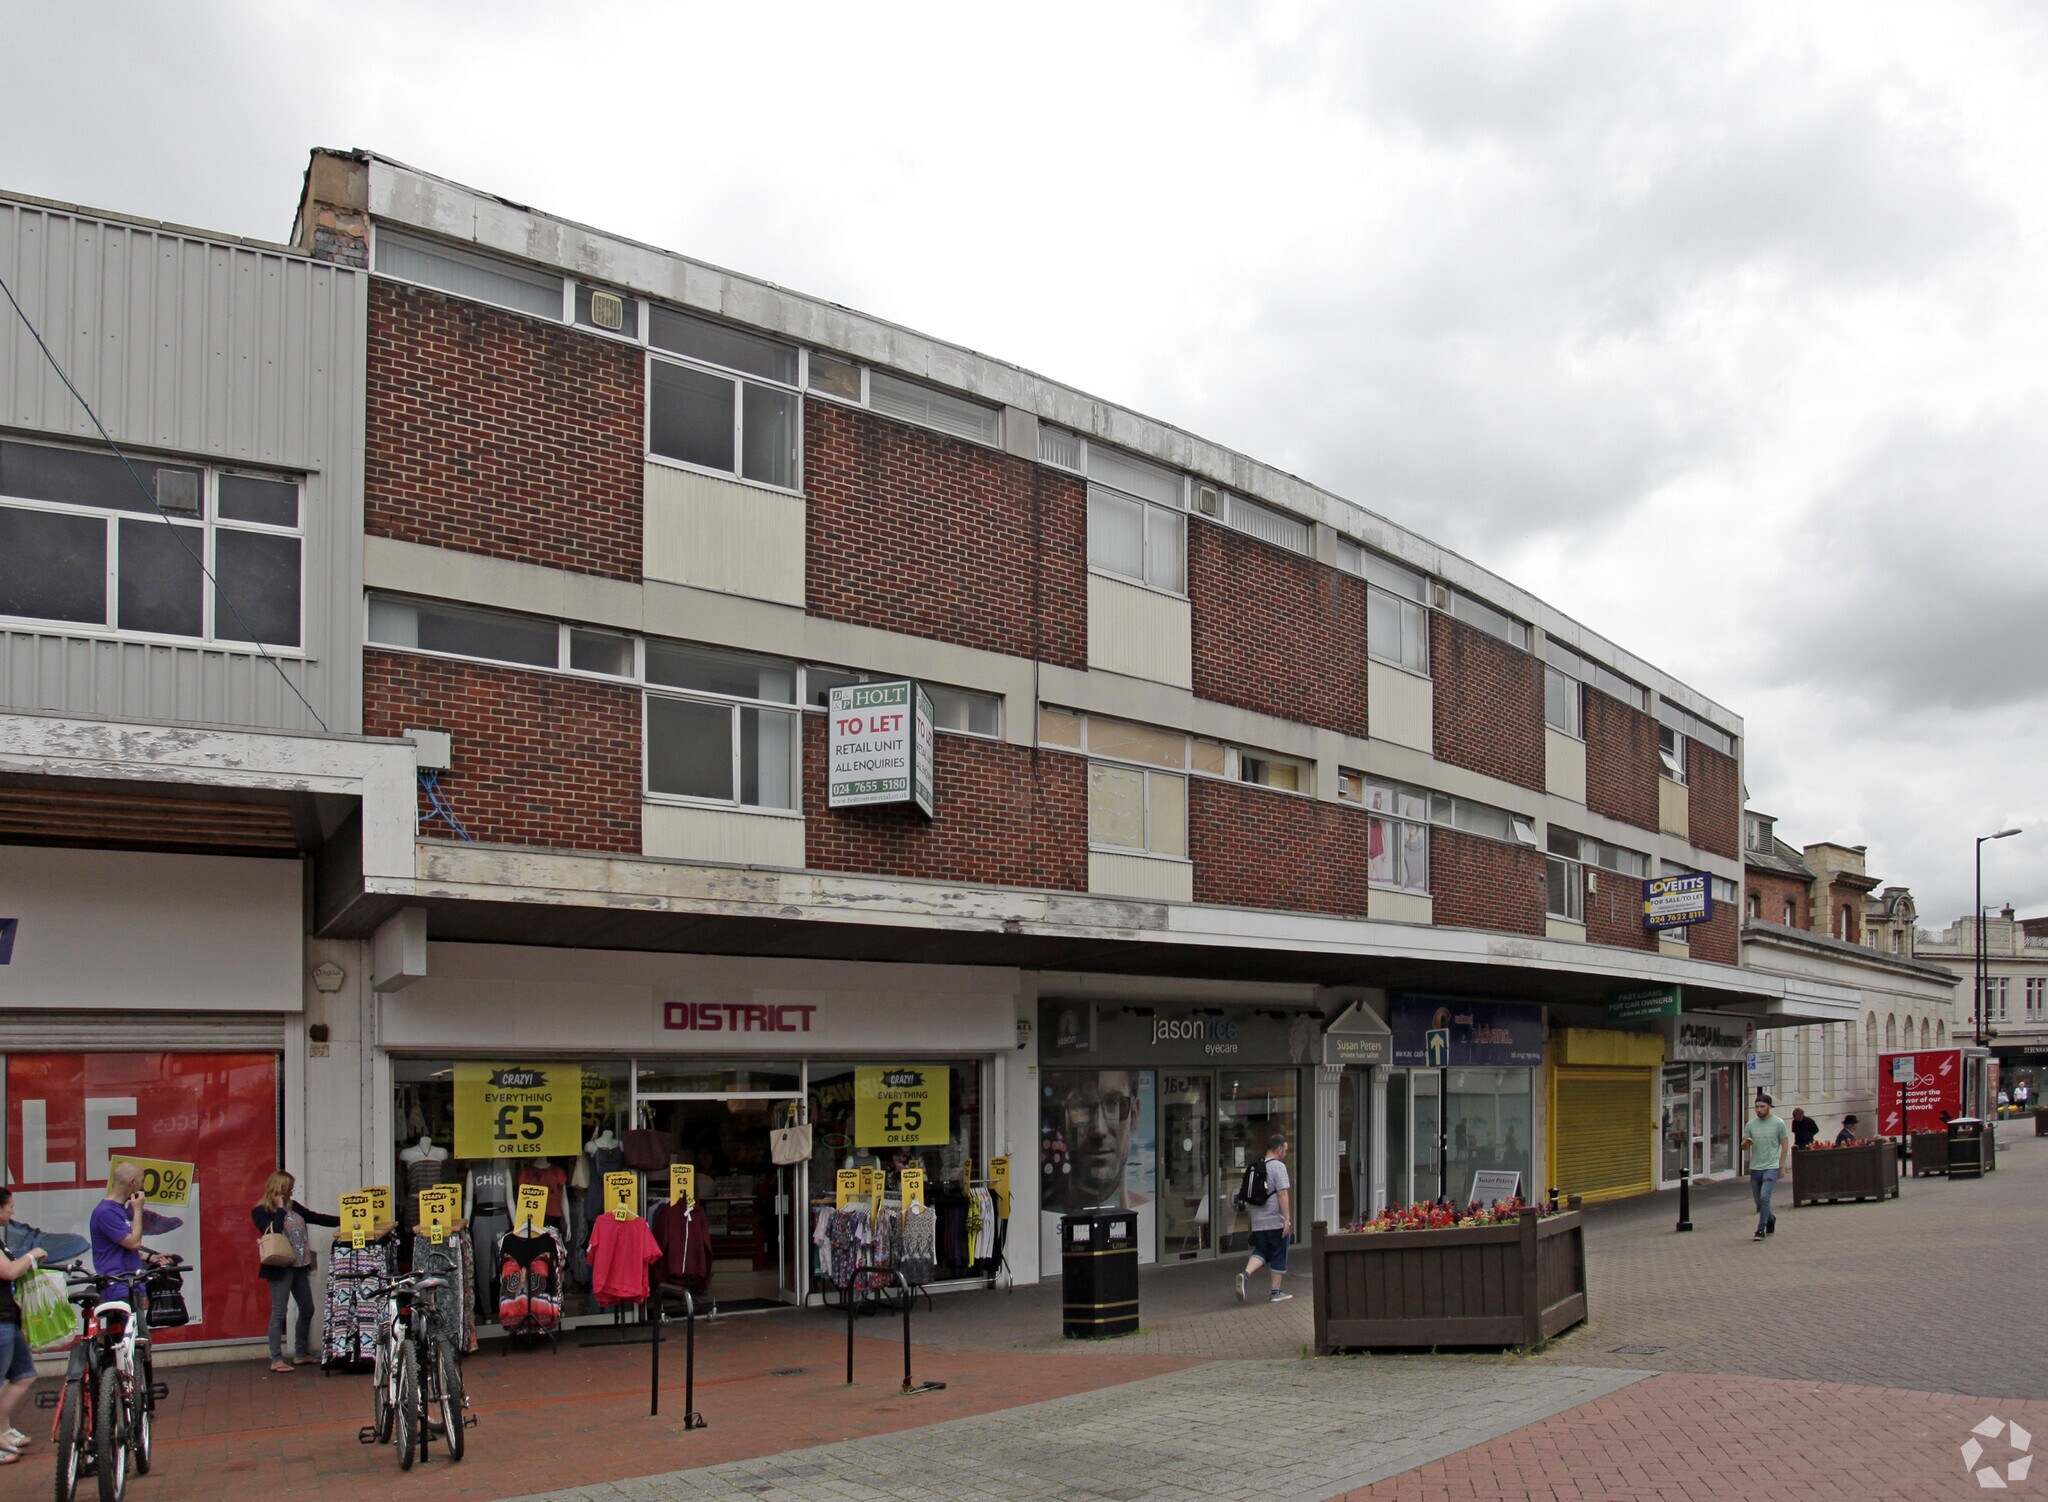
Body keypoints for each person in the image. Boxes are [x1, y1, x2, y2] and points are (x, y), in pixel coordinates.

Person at [252, 1172, 339, 1374]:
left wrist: (344, 1219)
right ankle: (276, 1358)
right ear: (279, 1187)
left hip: (300, 1265)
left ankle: (300, 1353)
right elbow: (272, 1229)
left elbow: (315, 1217)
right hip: (279, 1266)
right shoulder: (260, 1211)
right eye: (289, 1187)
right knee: (279, 1312)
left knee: (307, 1308)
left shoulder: (295, 1206)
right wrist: (280, 1209)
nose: (292, 1190)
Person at [0, 1188, 51, 1465]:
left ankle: (3, 1430)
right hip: (0, 1322)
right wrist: (31, 1256)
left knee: (23, 1374)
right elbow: (8, 1271)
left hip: (8, 1318)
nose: (13, 1211)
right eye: (10, 1206)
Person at [1234, 1133, 1293, 1304]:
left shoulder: (1255, 1166)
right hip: (1274, 1220)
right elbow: (1282, 1194)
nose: (1286, 1154)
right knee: (1278, 1253)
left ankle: (1245, 1275)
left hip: (1257, 1222)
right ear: (1280, 1150)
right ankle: (1276, 1292)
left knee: (1261, 1251)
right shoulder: (1278, 1167)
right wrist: (1287, 1219)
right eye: (1285, 1150)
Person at [1739, 1095, 1791, 1242]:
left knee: (1764, 1197)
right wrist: (1746, 1144)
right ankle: (1770, 1218)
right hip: (1755, 1167)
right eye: (1756, 1107)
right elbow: (1743, 1146)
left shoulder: (1778, 1123)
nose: (1759, 1110)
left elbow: (1785, 1144)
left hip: (1771, 1166)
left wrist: (1782, 1165)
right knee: (1759, 1202)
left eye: (1762, 1107)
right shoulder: (1750, 1125)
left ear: (1769, 1106)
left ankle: (1760, 1229)